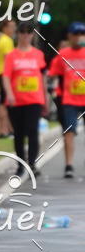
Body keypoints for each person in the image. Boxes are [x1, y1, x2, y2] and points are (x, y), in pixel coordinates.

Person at [2, 22, 49, 177]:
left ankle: (32, 164)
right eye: (22, 32)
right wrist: (9, 94)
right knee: (19, 134)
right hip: (16, 100)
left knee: (32, 131)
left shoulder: (38, 55)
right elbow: (6, 77)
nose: (25, 35)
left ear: (32, 35)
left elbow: (43, 78)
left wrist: (45, 99)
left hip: (34, 99)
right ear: (18, 34)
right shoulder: (11, 56)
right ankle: (20, 165)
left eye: (29, 32)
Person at [48, 22, 85, 178]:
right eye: (75, 34)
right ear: (69, 36)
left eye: (81, 34)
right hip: (69, 99)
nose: (79, 37)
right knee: (69, 132)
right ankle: (69, 164)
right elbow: (53, 75)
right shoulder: (63, 54)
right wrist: (54, 92)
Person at [0, 19, 15, 136]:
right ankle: (4, 130)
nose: (13, 30)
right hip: (5, 74)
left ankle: (2, 129)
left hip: (0, 73)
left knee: (3, 103)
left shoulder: (0, 40)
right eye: (11, 27)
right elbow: (9, 59)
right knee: (5, 103)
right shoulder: (6, 40)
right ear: (4, 28)